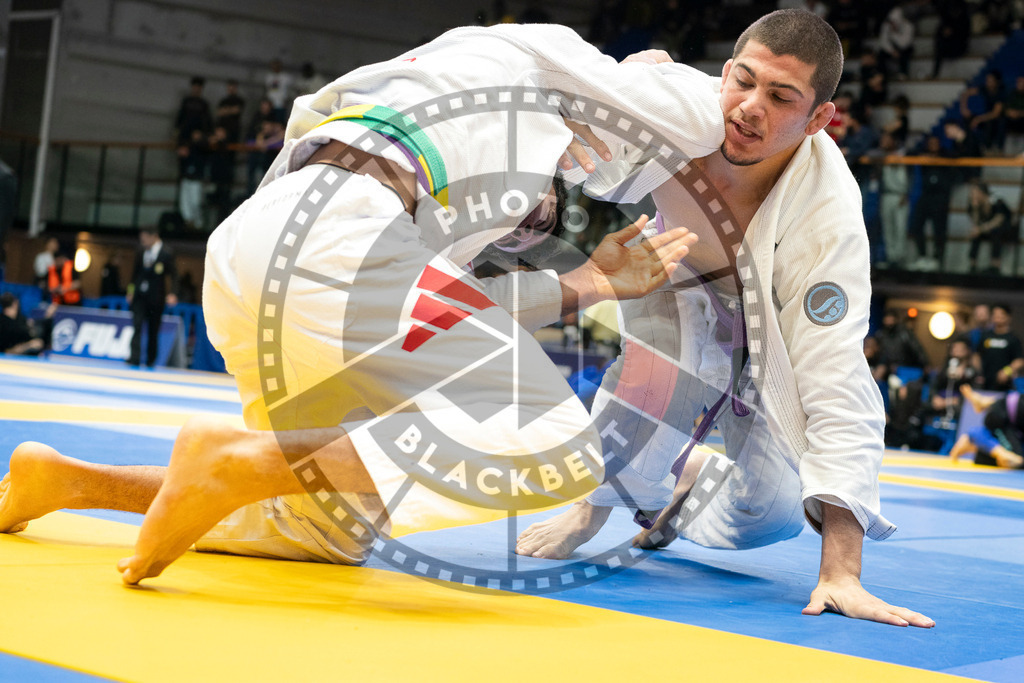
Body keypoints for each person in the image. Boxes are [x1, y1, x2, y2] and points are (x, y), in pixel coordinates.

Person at [2, 23, 707, 589]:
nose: (535, 215)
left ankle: (69, 482)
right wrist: (656, 87)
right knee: (554, 443)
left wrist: (590, 281)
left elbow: (455, 309)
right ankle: (233, 460)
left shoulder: (435, 98)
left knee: (326, 526)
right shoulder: (532, 61)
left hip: (260, 247)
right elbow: (690, 106)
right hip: (340, 235)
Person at [517, 10, 933, 628]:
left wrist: (841, 571)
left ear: (819, 119)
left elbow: (837, 378)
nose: (751, 108)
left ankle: (683, 487)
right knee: (661, 379)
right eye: (744, 81)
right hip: (676, 279)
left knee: (771, 516)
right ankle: (592, 508)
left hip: (771, 338)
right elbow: (551, 84)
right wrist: (591, 109)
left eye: (782, 97)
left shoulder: (826, 218)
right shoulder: (678, 112)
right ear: (725, 71)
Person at [127, 228, 178, 368]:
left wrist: (173, 293)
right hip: (140, 296)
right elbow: (134, 273)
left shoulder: (166, 252)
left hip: (156, 297)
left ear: (154, 236)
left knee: (153, 329)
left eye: (145, 239)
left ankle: (151, 359)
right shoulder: (141, 251)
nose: (143, 242)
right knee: (137, 325)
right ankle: (134, 357)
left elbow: (174, 275)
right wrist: (130, 291)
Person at [949, 384, 1024, 468]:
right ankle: (976, 434)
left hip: (1007, 410)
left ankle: (976, 446)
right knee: (1016, 460)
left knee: (1016, 461)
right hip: (1001, 416)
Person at [966, 180, 1013, 274]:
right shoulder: (974, 203)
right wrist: (975, 208)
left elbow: (999, 220)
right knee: (975, 235)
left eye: (975, 192)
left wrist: (981, 229)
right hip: (985, 229)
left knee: (996, 233)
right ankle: (972, 265)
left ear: (982, 192)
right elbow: (975, 223)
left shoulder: (996, 200)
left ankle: (995, 266)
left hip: (1003, 229)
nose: (972, 195)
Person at [976, 303, 1024, 391]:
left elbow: (1019, 360)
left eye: (1001, 314)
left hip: (1004, 383)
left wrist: (1007, 371)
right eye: (995, 314)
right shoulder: (985, 336)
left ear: (1008, 317)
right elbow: (977, 355)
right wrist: (978, 372)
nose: (997, 317)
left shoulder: (1013, 338)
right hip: (985, 381)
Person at [174, 76, 212, 147]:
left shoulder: (204, 103)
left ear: (201, 89)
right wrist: (176, 131)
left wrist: (205, 134)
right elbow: (180, 115)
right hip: (185, 132)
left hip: (197, 134)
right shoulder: (186, 101)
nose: (196, 89)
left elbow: (207, 120)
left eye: (198, 87)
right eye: (195, 87)